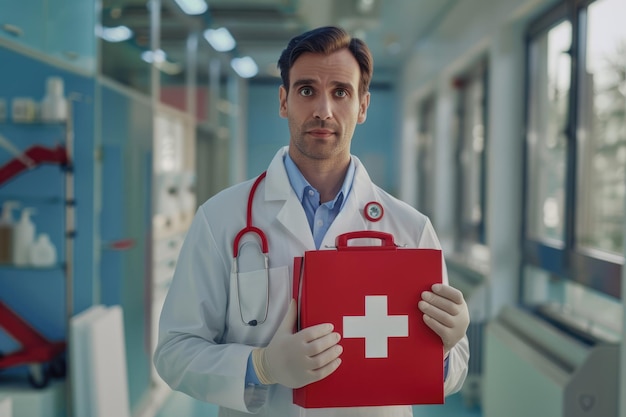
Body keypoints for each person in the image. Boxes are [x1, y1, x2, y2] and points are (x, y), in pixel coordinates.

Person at [154, 25, 470, 416]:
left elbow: (451, 374)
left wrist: (448, 346)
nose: (323, 109)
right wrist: (260, 367)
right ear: (284, 101)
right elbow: (174, 352)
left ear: (363, 106)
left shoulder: (410, 228)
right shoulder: (221, 219)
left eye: (341, 92)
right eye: (307, 90)